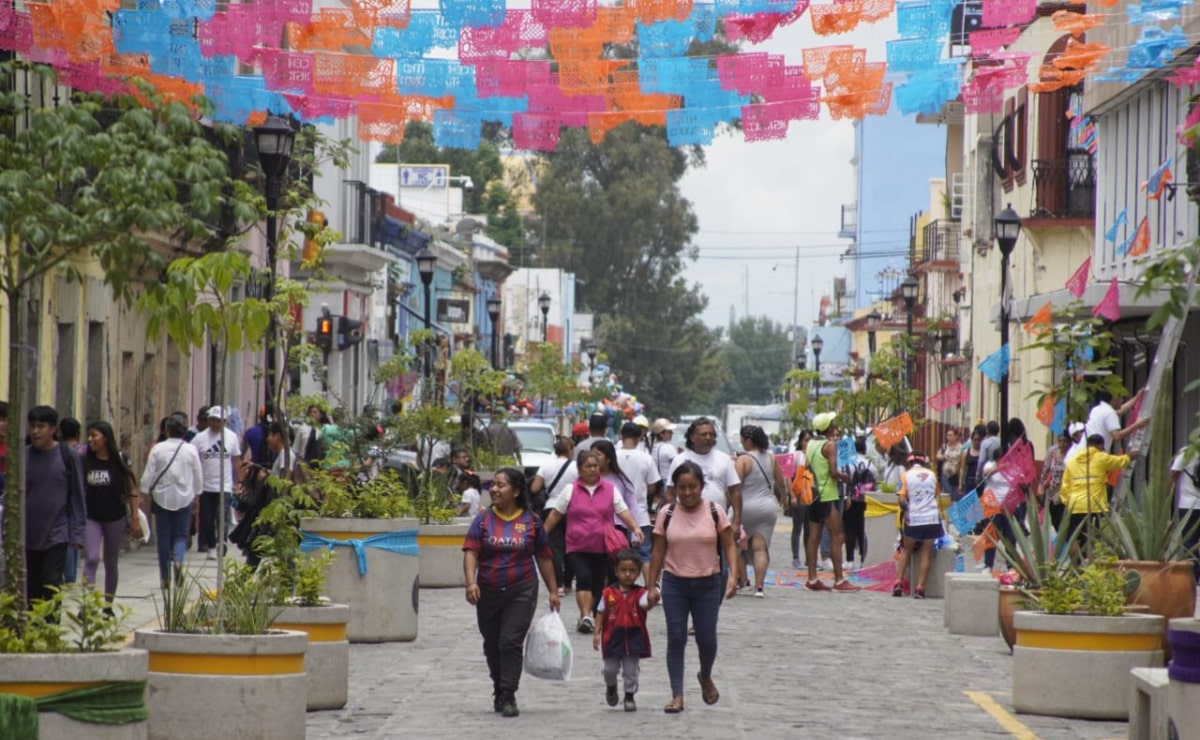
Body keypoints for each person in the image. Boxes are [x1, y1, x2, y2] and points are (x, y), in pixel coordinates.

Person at [462, 467, 560, 718]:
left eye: (501, 485)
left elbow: (544, 557)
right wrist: (470, 582)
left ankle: (508, 693)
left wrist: (553, 590)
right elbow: (471, 551)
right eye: (493, 484)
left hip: (522, 589)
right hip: (488, 592)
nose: (494, 489)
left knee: (510, 642)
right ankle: (499, 686)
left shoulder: (531, 521)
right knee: (492, 644)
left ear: (516, 491)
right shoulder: (483, 519)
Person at [646, 461, 739, 714]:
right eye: (682, 488)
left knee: (707, 639)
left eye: (692, 487)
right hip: (675, 583)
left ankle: (705, 675)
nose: (687, 493)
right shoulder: (666, 514)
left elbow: (729, 543)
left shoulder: (714, 510)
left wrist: (733, 575)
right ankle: (677, 694)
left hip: (708, 583)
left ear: (701, 487)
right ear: (675, 488)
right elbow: (657, 550)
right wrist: (651, 584)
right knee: (676, 638)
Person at [543, 450, 643, 634]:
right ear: (579, 470)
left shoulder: (609, 489)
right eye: (588, 466)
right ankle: (585, 615)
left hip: (602, 545)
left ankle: (593, 614)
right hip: (577, 545)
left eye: (595, 466)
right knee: (583, 578)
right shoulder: (570, 489)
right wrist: (542, 535)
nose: (592, 470)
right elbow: (556, 514)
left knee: (598, 583)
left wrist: (635, 527)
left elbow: (622, 511)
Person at [24, 405, 86, 604]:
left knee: (51, 582)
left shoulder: (67, 455)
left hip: (57, 533)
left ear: (53, 429)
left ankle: (51, 628)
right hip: (28, 535)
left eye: (41, 426)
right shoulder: (23, 456)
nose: (35, 431)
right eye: (32, 426)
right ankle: (34, 631)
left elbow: (77, 495)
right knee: (31, 589)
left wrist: (77, 532)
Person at [81, 421, 141, 612]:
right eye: (88, 436)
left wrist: (135, 519)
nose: (90, 440)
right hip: (92, 516)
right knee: (91, 558)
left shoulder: (119, 462)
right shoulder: (84, 461)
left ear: (106, 438)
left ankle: (108, 605)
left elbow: (132, 490)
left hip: (115, 517)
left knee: (111, 562)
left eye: (94, 435)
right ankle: (87, 605)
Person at [142, 415, 203, 587]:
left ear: (167, 430)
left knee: (163, 536)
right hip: (184, 497)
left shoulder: (158, 449)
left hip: (162, 497)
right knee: (181, 534)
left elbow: (149, 473)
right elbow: (198, 475)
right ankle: (178, 559)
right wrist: (197, 493)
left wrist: (144, 490)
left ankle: (165, 576)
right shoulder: (190, 450)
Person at [802, 413, 859, 592]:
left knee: (813, 537)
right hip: (828, 495)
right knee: (838, 536)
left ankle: (812, 579)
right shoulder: (830, 445)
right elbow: (834, 472)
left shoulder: (810, 444)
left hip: (814, 495)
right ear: (829, 427)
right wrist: (845, 477)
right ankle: (839, 580)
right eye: (833, 423)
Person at [594, 547, 654, 713]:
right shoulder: (608, 593)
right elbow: (600, 612)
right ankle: (611, 686)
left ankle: (629, 696)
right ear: (616, 571)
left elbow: (645, 604)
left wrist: (652, 600)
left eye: (632, 571)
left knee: (630, 670)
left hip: (633, 637)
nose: (627, 574)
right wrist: (596, 633)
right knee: (609, 669)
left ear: (638, 572)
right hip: (612, 637)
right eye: (623, 570)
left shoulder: (640, 593)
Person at [666, 418, 742, 538]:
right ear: (692, 437)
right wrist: (669, 518)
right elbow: (670, 493)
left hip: (716, 521)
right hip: (685, 521)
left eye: (711, 434)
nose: (708, 437)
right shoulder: (680, 460)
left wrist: (736, 521)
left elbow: (735, 491)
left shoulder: (724, 459)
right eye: (703, 434)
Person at [1061, 434, 1135, 555]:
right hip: (1094, 507)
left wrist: (1068, 503)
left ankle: (1074, 568)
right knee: (1092, 538)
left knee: (1074, 539)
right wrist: (1129, 457)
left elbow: (1064, 488)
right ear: (1100, 445)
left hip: (1075, 507)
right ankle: (1091, 566)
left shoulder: (1072, 461)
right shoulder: (1101, 457)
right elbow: (1118, 462)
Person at [734, 425, 786, 597]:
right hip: (767, 507)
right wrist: (784, 500)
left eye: (742, 440)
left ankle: (739, 580)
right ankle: (760, 587)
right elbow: (780, 483)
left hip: (746, 507)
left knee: (737, 545)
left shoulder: (744, 460)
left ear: (748, 441)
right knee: (760, 547)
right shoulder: (771, 458)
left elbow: (736, 486)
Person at [191, 405, 241, 558]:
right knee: (207, 517)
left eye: (218, 421)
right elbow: (192, 457)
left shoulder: (231, 437)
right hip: (205, 485)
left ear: (224, 422)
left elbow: (236, 460)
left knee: (222, 515)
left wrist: (239, 481)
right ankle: (211, 545)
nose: (215, 424)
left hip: (224, 485)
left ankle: (221, 542)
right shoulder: (200, 438)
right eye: (212, 420)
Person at [892, 452, 944, 599]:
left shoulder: (906, 475)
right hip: (932, 519)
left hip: (913, 519)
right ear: (924, 463)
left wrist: (905, 508)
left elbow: (901, 500)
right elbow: (937, 495)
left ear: (909, 463)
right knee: (926, 553)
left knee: (907, 550)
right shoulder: (933, 475)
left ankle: (898, 583)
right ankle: (920, 588)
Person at [530, 436, 577, 595]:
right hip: (573, 509)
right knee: (571, 546)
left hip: (551, 509)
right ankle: (569, 582)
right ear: (570, 449)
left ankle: (558, 586)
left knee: (555, 548)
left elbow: (535, 488)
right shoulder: (577, 467)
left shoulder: (546, 466)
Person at [616, 423, 662, 576]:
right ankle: (650, 589)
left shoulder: (612, 456)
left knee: (615, 554)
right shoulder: (646, 459)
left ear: (621, 436)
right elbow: (652, 486)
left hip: (615, 516)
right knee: (645, 555)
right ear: (639, 438)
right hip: (640, 515)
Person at [843, 437, 876, 568]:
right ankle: (864, 558)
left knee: (850, 529)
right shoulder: (870, 464)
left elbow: (846, 480)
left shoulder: (849, 463)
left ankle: (849, 559)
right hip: (866, 499)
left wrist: (847, 496)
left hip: (851, 499)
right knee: (863, 530)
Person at [1169, 448, 1200, 581]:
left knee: (1189, 540)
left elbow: (1173, 474)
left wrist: (1165, 497)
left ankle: (1193, 576)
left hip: (1188, 505)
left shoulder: (1187, 451)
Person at [1086, 389, 1148, 453]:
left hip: (1084, 452)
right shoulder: (1109, 412)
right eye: (1120, 398)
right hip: (1092, 456)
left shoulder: (1098, 409)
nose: (1122, 400)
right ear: (1114, 398)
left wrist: (1137, 398)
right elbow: (1117, 436)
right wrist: (1137, 424)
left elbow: (1120, 411)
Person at [788, 430, 813, 569]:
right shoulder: (796, 456)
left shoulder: (815, 456)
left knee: (810, 529)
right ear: (801, 441)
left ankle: (809, 558)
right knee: (798, 527)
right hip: (799, 494)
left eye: (810, 440)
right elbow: (788, 476)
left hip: (811, 495)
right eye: (806, 440)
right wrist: (791, 495)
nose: (807, 443)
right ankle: (796, 557)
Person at [1038, 432, 1070, 531]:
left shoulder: (1071, 454)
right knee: (1055, 520)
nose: (1062, 444)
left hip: (1066, 492)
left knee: (1063, 519)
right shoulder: (1052, 454)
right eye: (1060, 441)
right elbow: (1045, 471)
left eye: (1065, 441)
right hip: (1053, 492)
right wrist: (1041, 487)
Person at [649, 418, 678, 490]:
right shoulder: (668, 448)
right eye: (669, 431)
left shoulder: (651, 447)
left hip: (655, 482)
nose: (672, 433)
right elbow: (677, 465)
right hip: (667, 481)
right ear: (661, 434)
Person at [936, 427, 964, 500]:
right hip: (945, 475)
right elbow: (938, 456)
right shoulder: (945, 446)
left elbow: (958, 458)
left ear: (956, 436)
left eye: (950, 435)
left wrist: (945, 457)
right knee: (947, 495)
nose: (948, 437)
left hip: (955, 476)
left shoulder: (961, 448)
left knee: (955, 495)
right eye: (947, 435)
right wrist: (946, 457)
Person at [959, 424, 986, 497]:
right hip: (969, 481)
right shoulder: (966, 452)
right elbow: (962, 468)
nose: (977, 442)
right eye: (975, 440)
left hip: (980, 481)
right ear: (972, 440)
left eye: (979, 440)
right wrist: (960, 483)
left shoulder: (983, 453)